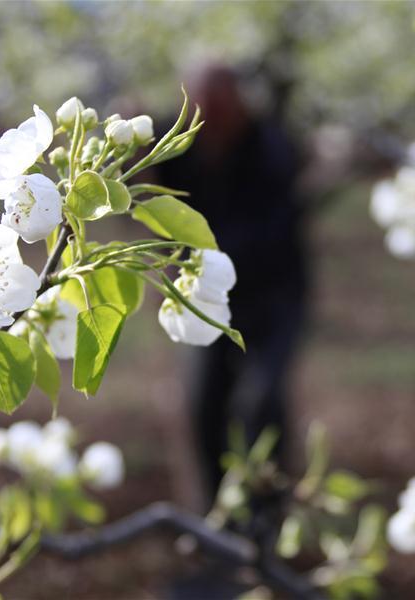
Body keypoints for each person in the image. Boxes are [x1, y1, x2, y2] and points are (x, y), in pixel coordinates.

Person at [157, 64, 309, 498]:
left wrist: (208, 248)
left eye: (222, 107)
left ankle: (265, 509)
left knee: (261, 400)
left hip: (272, 297)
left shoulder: (270, 145)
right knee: (203, 404)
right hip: (201, 295)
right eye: (204, 109)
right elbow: (150, 185)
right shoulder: (179, 141)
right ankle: (213, 515)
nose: (213, 121)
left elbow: (276, 224)